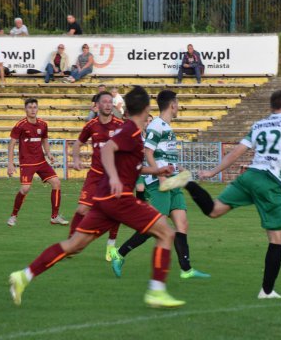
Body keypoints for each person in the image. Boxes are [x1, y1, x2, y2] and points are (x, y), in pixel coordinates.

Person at [160, 90, 281, 298]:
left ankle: (188, 181)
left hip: (250, 176)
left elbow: (237, 152)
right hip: (269, 181)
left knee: (214, 210)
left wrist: (212, 171)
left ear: (271, 106)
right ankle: (266, 291)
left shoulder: (260, 124)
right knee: (277, 237)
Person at [9, 86, 185, 309]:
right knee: (166, 233)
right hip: (119, 199)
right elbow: (108, 150)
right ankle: (157, 292)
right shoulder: (130, 130)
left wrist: (157, 171)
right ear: (146, 108)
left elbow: (134, 166)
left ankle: (24, 276)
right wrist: (112, 177)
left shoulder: (130, 131)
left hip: (105, 200)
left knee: (74, 245)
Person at [110, 90, 210, 280]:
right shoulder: (157, 125)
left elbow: (166, 158)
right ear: (172, 105)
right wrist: (160, 175)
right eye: (178, 103)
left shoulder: (166, 127)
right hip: (159, 183)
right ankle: (120, 253)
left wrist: (186, 171)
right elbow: (148, 152)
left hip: (172, 182)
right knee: (154, 227)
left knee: (182, 223)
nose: (178, 107)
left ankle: (186, 269)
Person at [69, 92, 124, 261]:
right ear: (98, 106)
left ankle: (110, 246)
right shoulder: (91, 125)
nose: (108, 105)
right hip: (95, 175)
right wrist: (76, 158)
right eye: (104, 102)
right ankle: (70, 243)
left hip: (113, 176)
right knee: (82, 209)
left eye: (110, 102)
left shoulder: (120, 125)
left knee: (116, 213)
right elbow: (78, 143)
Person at [7, 98, 68, 227]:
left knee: (56, 183)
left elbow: (44, 139)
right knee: (25, 188)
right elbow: (12, 144)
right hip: (27, 163)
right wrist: (10, 163)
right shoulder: (20, 125)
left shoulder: (43, 124)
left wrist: (49, 153)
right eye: (30, 107)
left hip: (41, 161)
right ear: (25, 109)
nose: (33, 109)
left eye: (35, 107)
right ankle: (13, 216)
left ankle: (55, 217)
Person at [135, 114, 155, 201]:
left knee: (149, 198)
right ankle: (139, 209)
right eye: (146, 121)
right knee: (140, 188)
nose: (148, 123)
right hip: (140, 170)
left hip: (152, 171)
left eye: (151, 121)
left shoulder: (155, 138)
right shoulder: (136, 137)